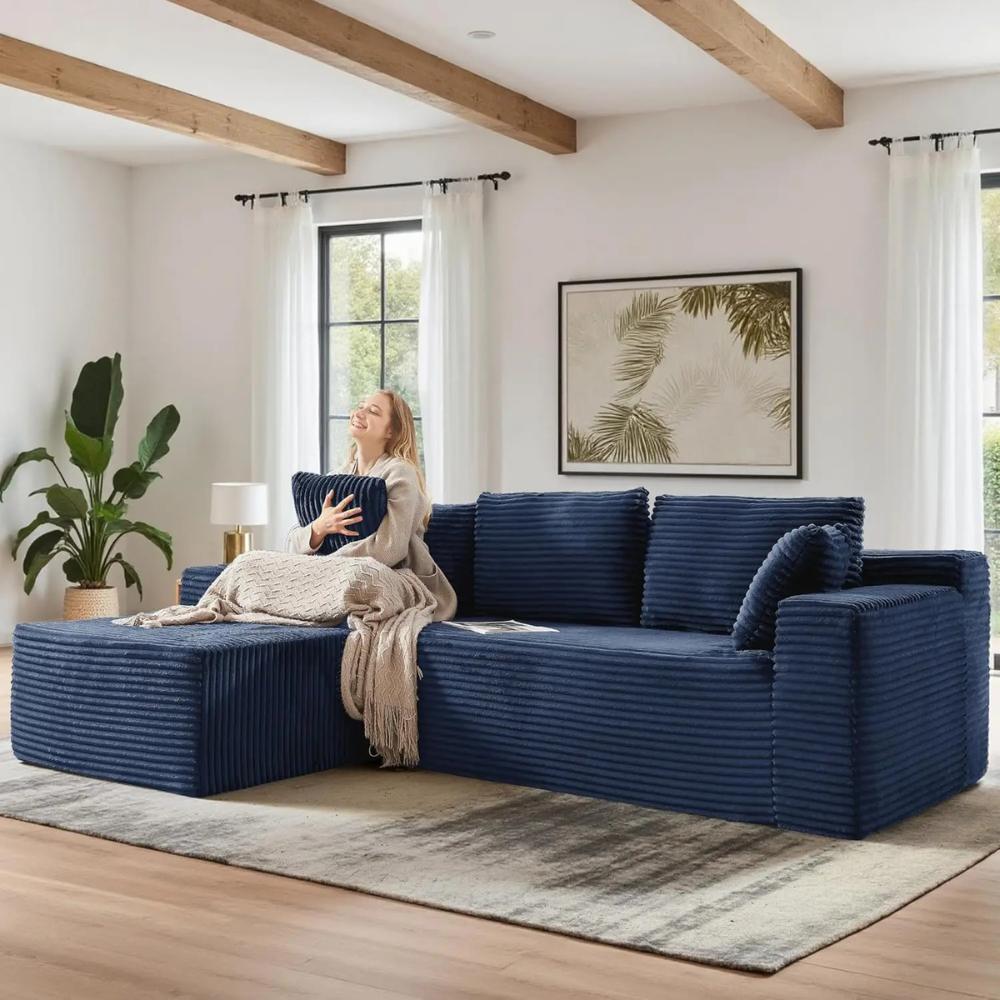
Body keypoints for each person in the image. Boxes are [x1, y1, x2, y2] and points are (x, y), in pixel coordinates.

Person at [286, 389, 457, 621]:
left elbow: (389, 549)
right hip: (338, 575)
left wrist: (325, 567)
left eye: (373, 411)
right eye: (361, 405)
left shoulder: (400, 472)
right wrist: (318, 528)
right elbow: (291, 544)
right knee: (251, 561)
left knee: (362, 577)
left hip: (394, 578)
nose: (360, 412)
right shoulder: (337, 477)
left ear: (391, 431)